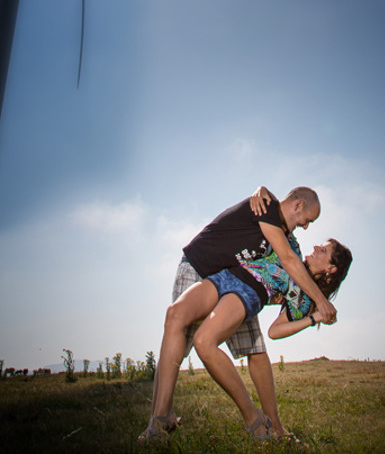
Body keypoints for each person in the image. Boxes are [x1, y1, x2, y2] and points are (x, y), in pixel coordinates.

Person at [139, 186, 338, 443]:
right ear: (298, 205)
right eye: (307, 220)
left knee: (246, 348)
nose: (306, 227)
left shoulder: (289, 244)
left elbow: (283, 279)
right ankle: (160, 417)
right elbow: (287, 259)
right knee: (176, 323)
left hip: (239, 285)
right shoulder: (269, 210)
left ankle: (269, 424)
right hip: (204, 268)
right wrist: (260, 190)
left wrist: (308, 307)